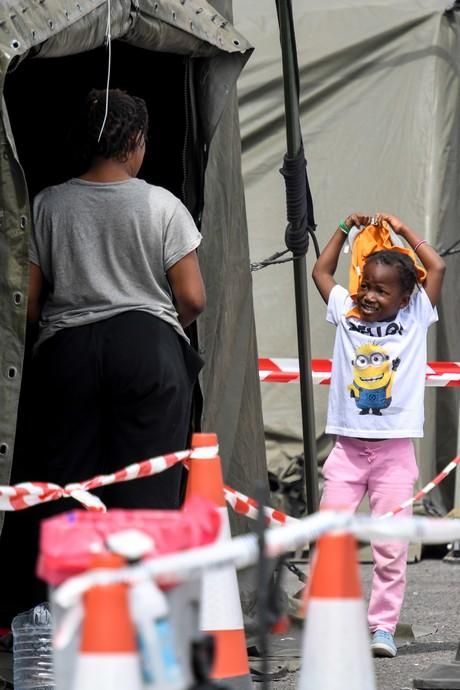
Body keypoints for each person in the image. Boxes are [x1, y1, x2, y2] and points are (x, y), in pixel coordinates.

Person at [0, 88, 206, 626]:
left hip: (66, 354)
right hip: (148, 349)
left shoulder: (47, 203)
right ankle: (140, 620)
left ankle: (66, 618)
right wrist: (156, 332)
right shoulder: (163, 204)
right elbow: (192, 297)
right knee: (147, 487)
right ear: (135, 142)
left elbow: (30, 301)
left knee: (67, 486)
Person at [312, 211, 446, 658]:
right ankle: (329, 621)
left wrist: (404, 230)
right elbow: (321, 271)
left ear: (406, 295)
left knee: (390, 548)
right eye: (365, 284)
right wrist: (345, 229)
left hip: (393, 454)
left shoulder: (416, 317)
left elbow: (438, 267)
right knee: (330, 538)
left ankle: (382, 627)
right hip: (347, 451)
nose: (367, 295)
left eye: (380, 289)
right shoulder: (344, 311)